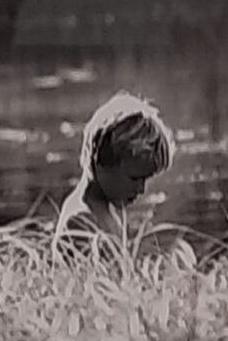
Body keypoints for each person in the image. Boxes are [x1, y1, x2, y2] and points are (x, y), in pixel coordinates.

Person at [53, 91, 176, 260]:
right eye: (135, 178)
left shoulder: (104, 210)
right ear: (102, 161)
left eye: (145, 180)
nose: (141, 189)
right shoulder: (81, 222)